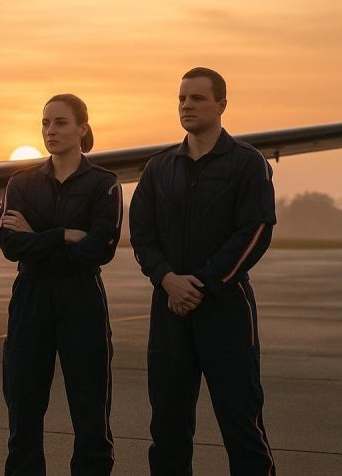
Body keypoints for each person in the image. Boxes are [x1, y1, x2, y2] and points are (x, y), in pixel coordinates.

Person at [130, 67, 276, 475]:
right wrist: (167, 279)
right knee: (168, 427)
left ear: (221, 105)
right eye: (181, 99)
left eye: (196, 98)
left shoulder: (248, 164)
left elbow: (256, 231)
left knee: (241, 423)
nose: (187, 106)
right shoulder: (158, 168)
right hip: (170, 309)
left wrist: (204, 284)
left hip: (226, 309)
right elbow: (141, 233)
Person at [0, 94, 122, 475]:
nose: (51, 130)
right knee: (23, 407)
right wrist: (64, 234)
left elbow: (100, 248)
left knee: (90, 410)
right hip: (30, 298)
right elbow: (8, 243)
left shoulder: (105, 184)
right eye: (46, 122)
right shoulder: (20, 183)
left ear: (82, 128)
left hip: (82, 298)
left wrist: (37, 238)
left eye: (61, 122)